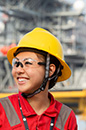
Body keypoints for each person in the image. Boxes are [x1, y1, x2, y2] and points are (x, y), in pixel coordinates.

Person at [0, 27, 77, 130]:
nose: (18, 70)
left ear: (50, 70)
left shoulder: (66, 117)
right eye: (17, 63)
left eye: (28, 63)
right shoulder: (2, 110)